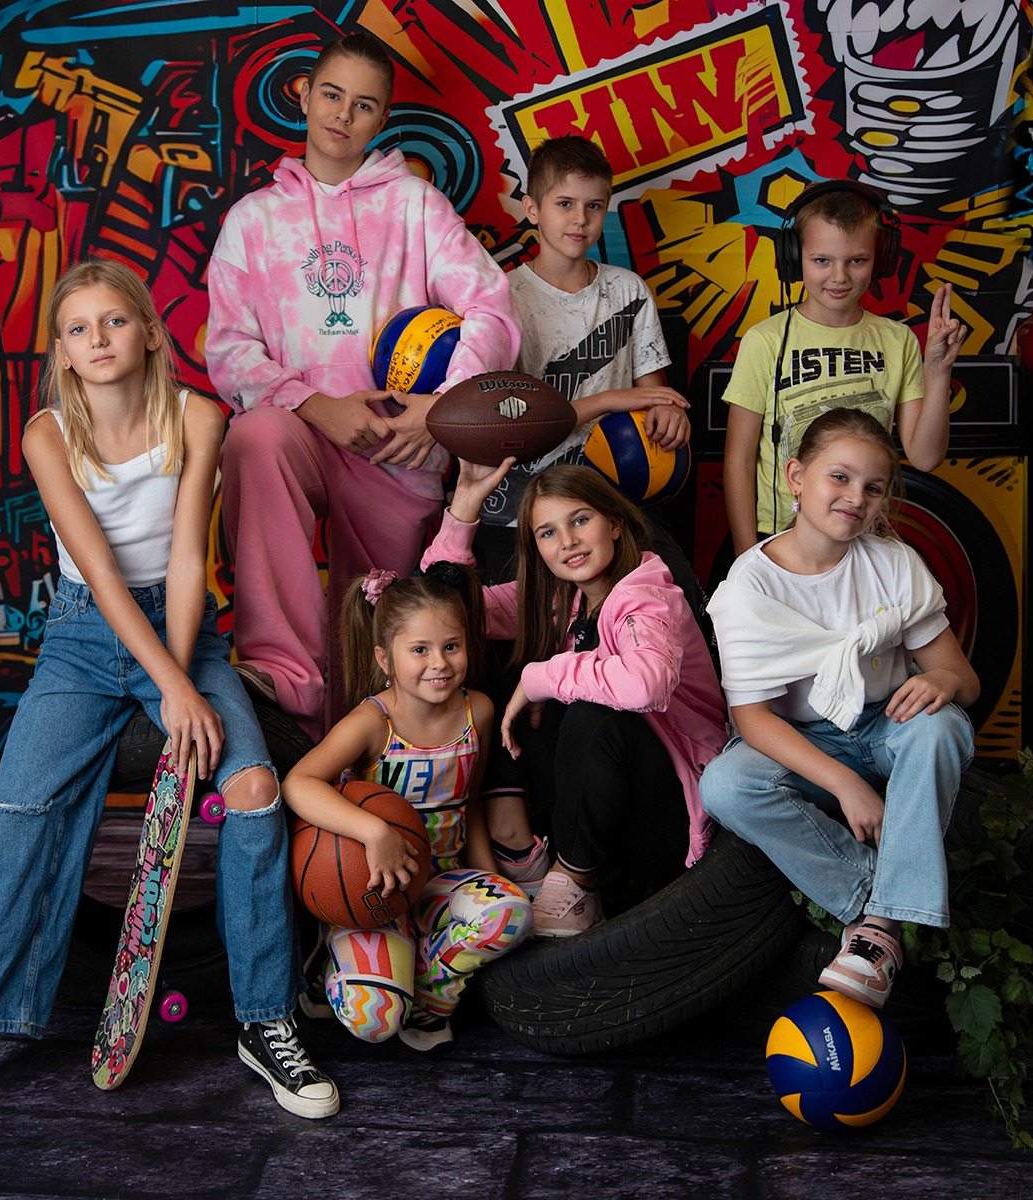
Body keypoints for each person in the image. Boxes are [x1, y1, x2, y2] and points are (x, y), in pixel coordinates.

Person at [0, 260, 337, 1179]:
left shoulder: (198, 417)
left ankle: (265, 1021)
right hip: (82, 638)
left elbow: (186, 561)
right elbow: (103, 576)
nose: (99, 339)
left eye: (115, 321)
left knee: (255, 789)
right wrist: (168, 687)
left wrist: (182, 678)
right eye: (79, 329)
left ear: (149, 332)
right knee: (16, 811)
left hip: (182, 628)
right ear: (62, 353)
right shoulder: (48, 434)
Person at [205, 30, 520, 740]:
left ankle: (366, 768)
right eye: (331, 94)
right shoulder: (253, 221)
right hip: (301, 432)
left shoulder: (415, 205)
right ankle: (284, 678)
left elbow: (492, 307)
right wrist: (316, 405)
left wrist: (441, 409)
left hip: (398, 445)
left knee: (380, 635)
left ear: (382, 118)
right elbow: (228, 349)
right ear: (304, 96)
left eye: (365, 104)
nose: (343, 114)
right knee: (254, 436)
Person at [473, 134, 702, 892]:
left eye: (594, 206)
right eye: (564, 204)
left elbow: (658, 397)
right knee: (506, 635)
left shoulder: (627, 291)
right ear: (531, 209)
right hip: (519, 510)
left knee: (678, 592)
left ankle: (696, 765)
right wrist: (613, 399)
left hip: (610, 508)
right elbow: (509, 422)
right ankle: (516, 812)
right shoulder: (500, 297)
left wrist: (667, 416)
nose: (579, 220)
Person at [700, 407, 979, 1008]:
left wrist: (943, 681)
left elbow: (965, 679)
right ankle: (875, 893)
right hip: (807, 741)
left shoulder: (894, 563)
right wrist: (845, 784)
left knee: (942, 729)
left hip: (885, 727)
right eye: (840, 477)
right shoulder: (752, 584)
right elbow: (753, 719)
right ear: (796, 477)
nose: (856, 498)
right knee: (725, 785)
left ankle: (877, 932)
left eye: (874, 488)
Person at [424, 461, 727, 937]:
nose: (567, 541)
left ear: (615, 523)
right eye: (548, 532)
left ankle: (575, 878)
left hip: (669, 809)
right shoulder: (559, 598)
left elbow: (646, 685)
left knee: (589, 711)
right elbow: (448, 617)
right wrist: (463, 509)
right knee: (477, 656)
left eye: (580, 520)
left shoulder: (647, 594)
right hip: (598, 805)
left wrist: (541, 676)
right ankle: (517, 840)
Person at [283, 566, 531, 1053]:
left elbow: (470, 807)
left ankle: (429, 995)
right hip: (375, 893)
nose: (439, 663)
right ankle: (332, 958)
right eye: (419, 650)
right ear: (385, 658)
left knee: (512, 913)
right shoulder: (372, 722)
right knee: (374, 1022)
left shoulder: (478, 711)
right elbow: (298, 784)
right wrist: (374, 832)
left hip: (439, 881)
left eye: (451, 646)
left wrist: (491, 881)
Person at [721, 179, 965, 549]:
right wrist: (747, 555)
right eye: (822, 260)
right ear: (793, 257)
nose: (839, 276)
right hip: (779, 538)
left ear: (881, 259)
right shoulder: (764, 341)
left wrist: (938, 371)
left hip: (862, 537)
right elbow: (739, 459)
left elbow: (925, 457)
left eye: (857, 260)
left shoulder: (897, 340)